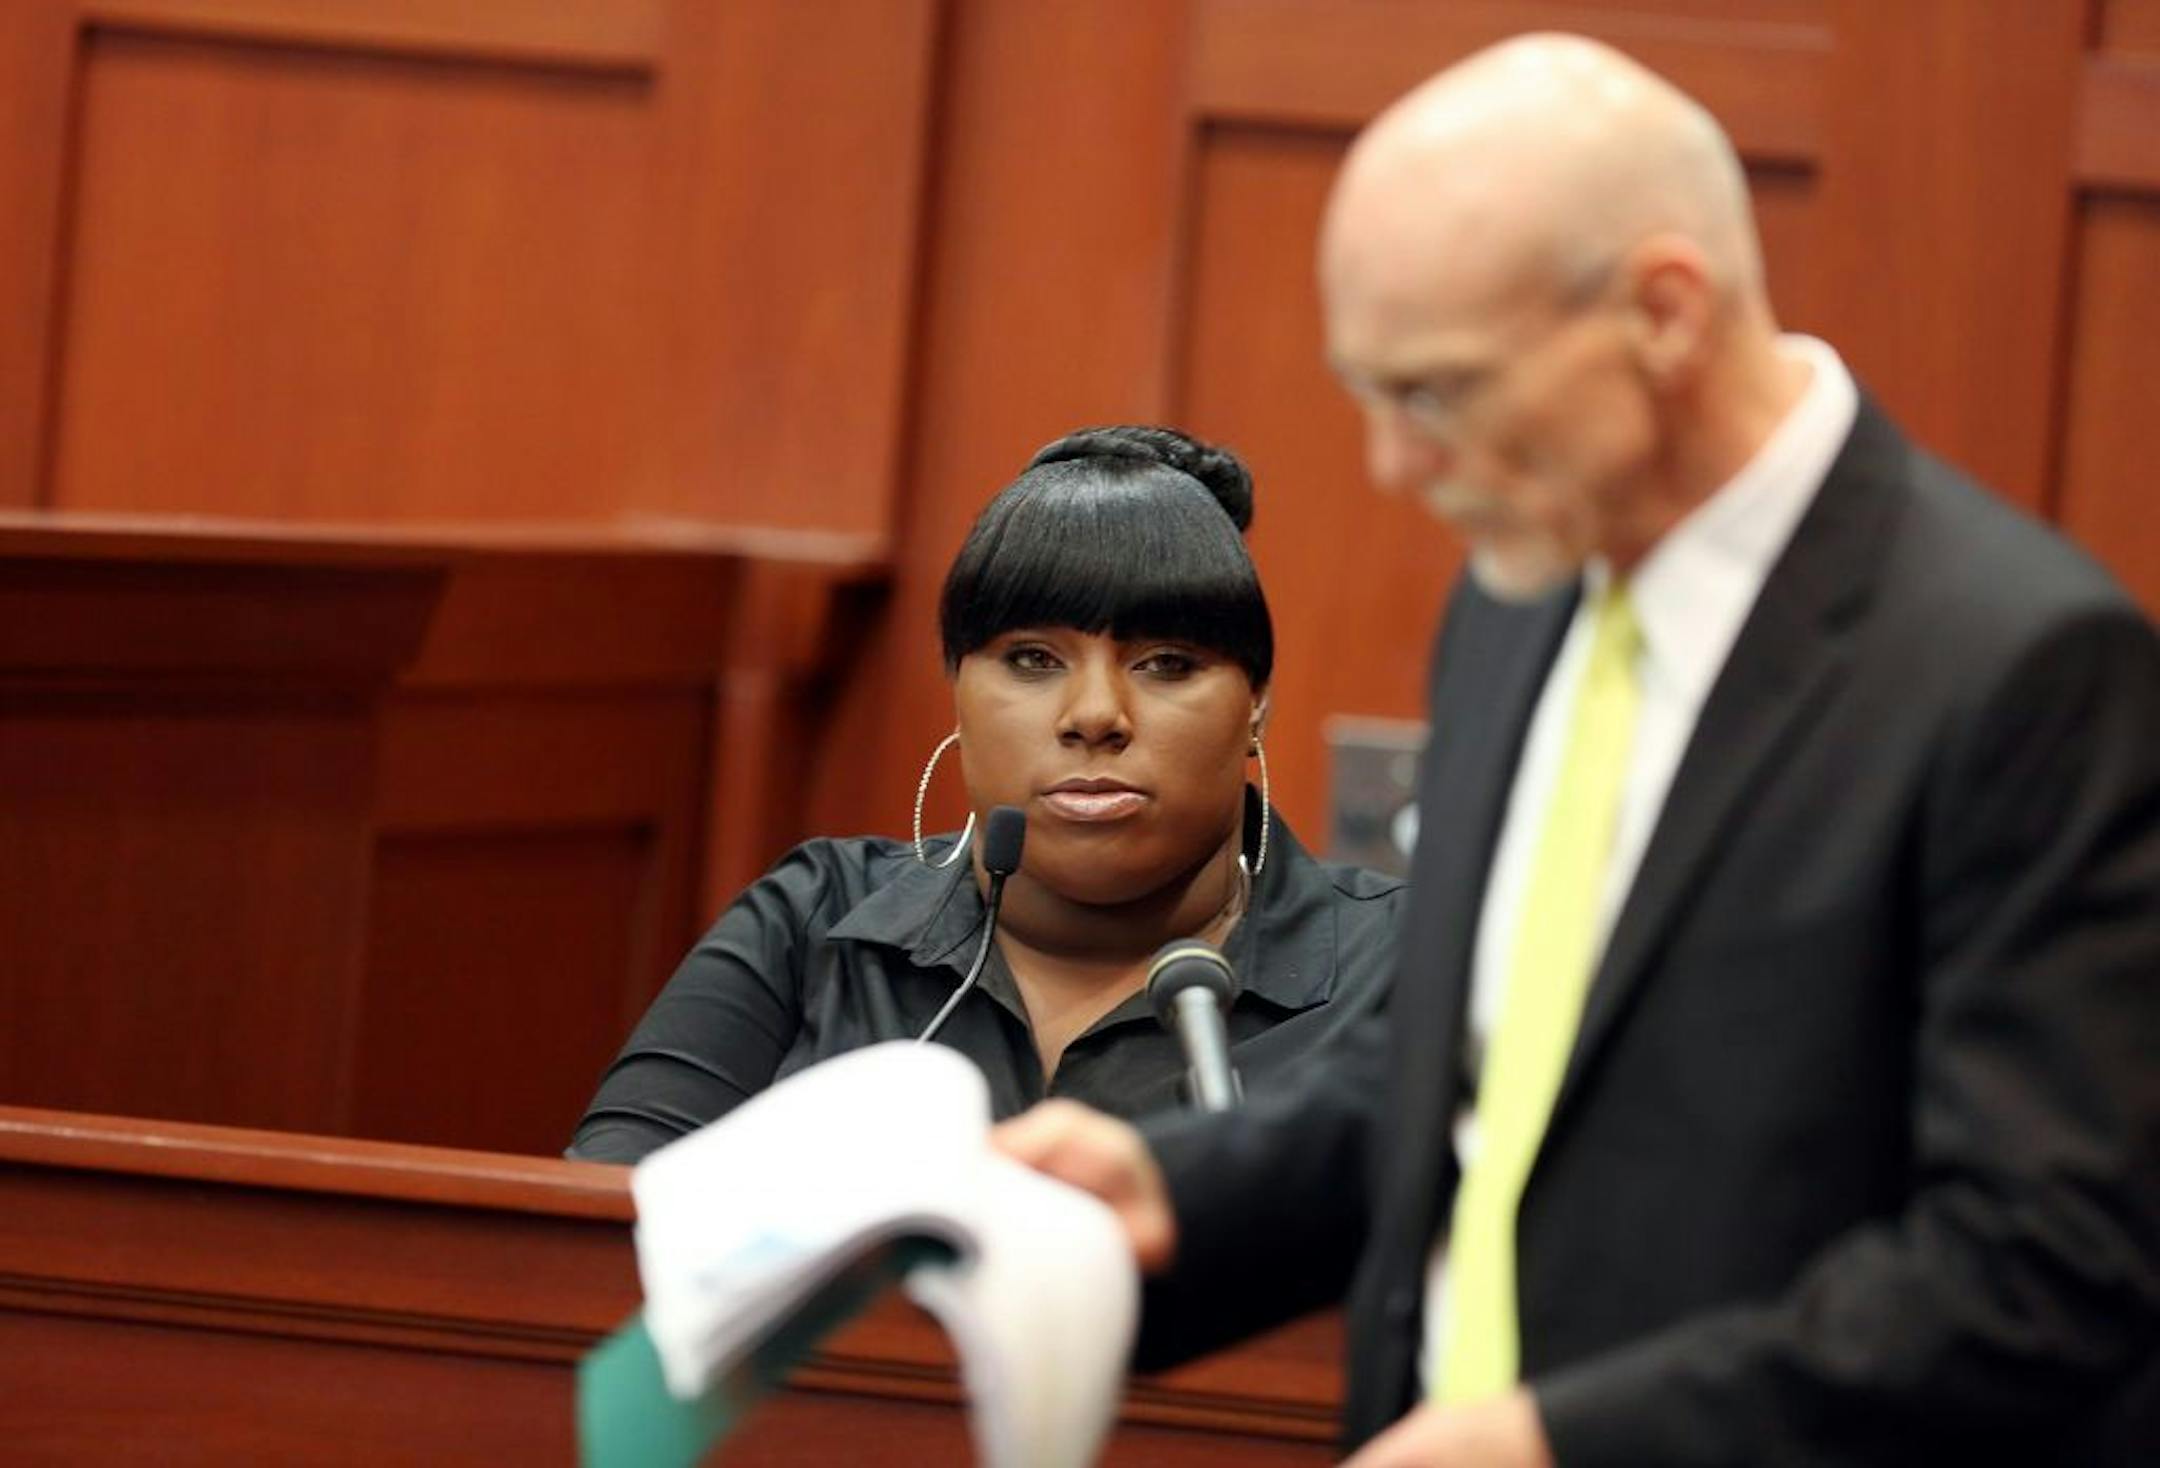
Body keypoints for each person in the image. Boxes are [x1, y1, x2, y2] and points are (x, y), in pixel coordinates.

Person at [994, 34, 2160, 1468]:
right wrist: (1172, 1191)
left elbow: (2043, 1270)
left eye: (1434, 395)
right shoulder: (1516, 604)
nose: (1394, 468)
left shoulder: (2019, 667)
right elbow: (1468, 1067)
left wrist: (1564, 1445)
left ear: (1665, 313)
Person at [570, 424, 1404, 1164]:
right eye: (1033, 660)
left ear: (1256, 700)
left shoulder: (1400, 966)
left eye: (1167, 664)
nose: (1094, 716)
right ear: (958, 692)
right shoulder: (816, 923)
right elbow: (596, 1236)